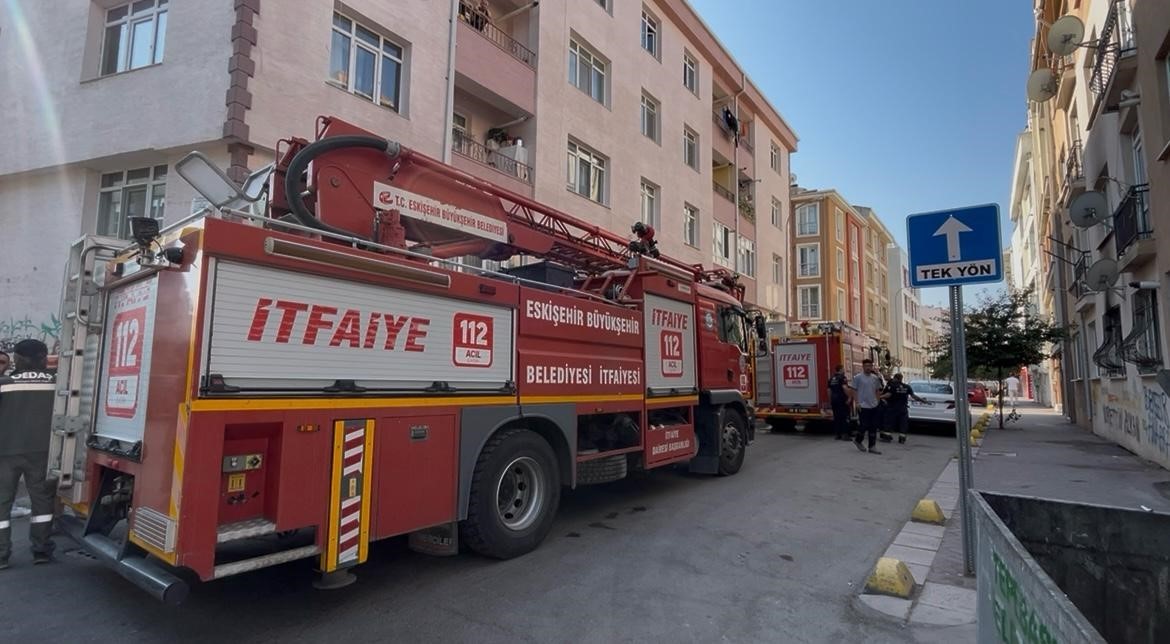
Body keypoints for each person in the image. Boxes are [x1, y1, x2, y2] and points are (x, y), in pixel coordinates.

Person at [0, 339, 58, 569]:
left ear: (17, 358)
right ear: (44, 357)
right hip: (43, 452)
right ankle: (41, 551)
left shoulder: (4, 383)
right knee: (42, 503)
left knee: (2, 504)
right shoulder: (57, 384)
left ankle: (1, 555)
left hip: (5, 452)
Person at [881, 373, 931, 445]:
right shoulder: (907, 387)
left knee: (888, 422)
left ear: (895, 378)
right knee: (903, 424)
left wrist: (879, 397)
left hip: (892, 408)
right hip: (903, 409)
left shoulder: (892, 386)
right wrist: (923, 401)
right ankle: (902, 438)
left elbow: (888, 395)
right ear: (901, 379)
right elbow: (914, 396)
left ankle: (887, 437)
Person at [851, 359, 884, 454]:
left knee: (873, 426)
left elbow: (878, 390)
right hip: (863, 405)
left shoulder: (875, 378)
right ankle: (858, 440)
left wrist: (877, 401)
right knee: (864, 425)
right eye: (866, 366)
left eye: (870, 366)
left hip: (873, 405)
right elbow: (854, 390)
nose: (868, 367)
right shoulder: (858, 378)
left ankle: (872, 446)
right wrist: (857, 402)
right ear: (863, 367)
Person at [827, 365, 853, 441]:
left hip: (834, 400)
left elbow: (829, 391)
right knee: (845, 417)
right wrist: (849, 397)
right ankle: (845, 434)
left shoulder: (831, 379)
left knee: (837, 417)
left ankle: (837, 434)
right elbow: (845, 388)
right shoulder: (842, 378)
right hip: (842, 400)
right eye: (843, 369)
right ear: (841, 369)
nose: (844, 370)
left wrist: (830, 400)